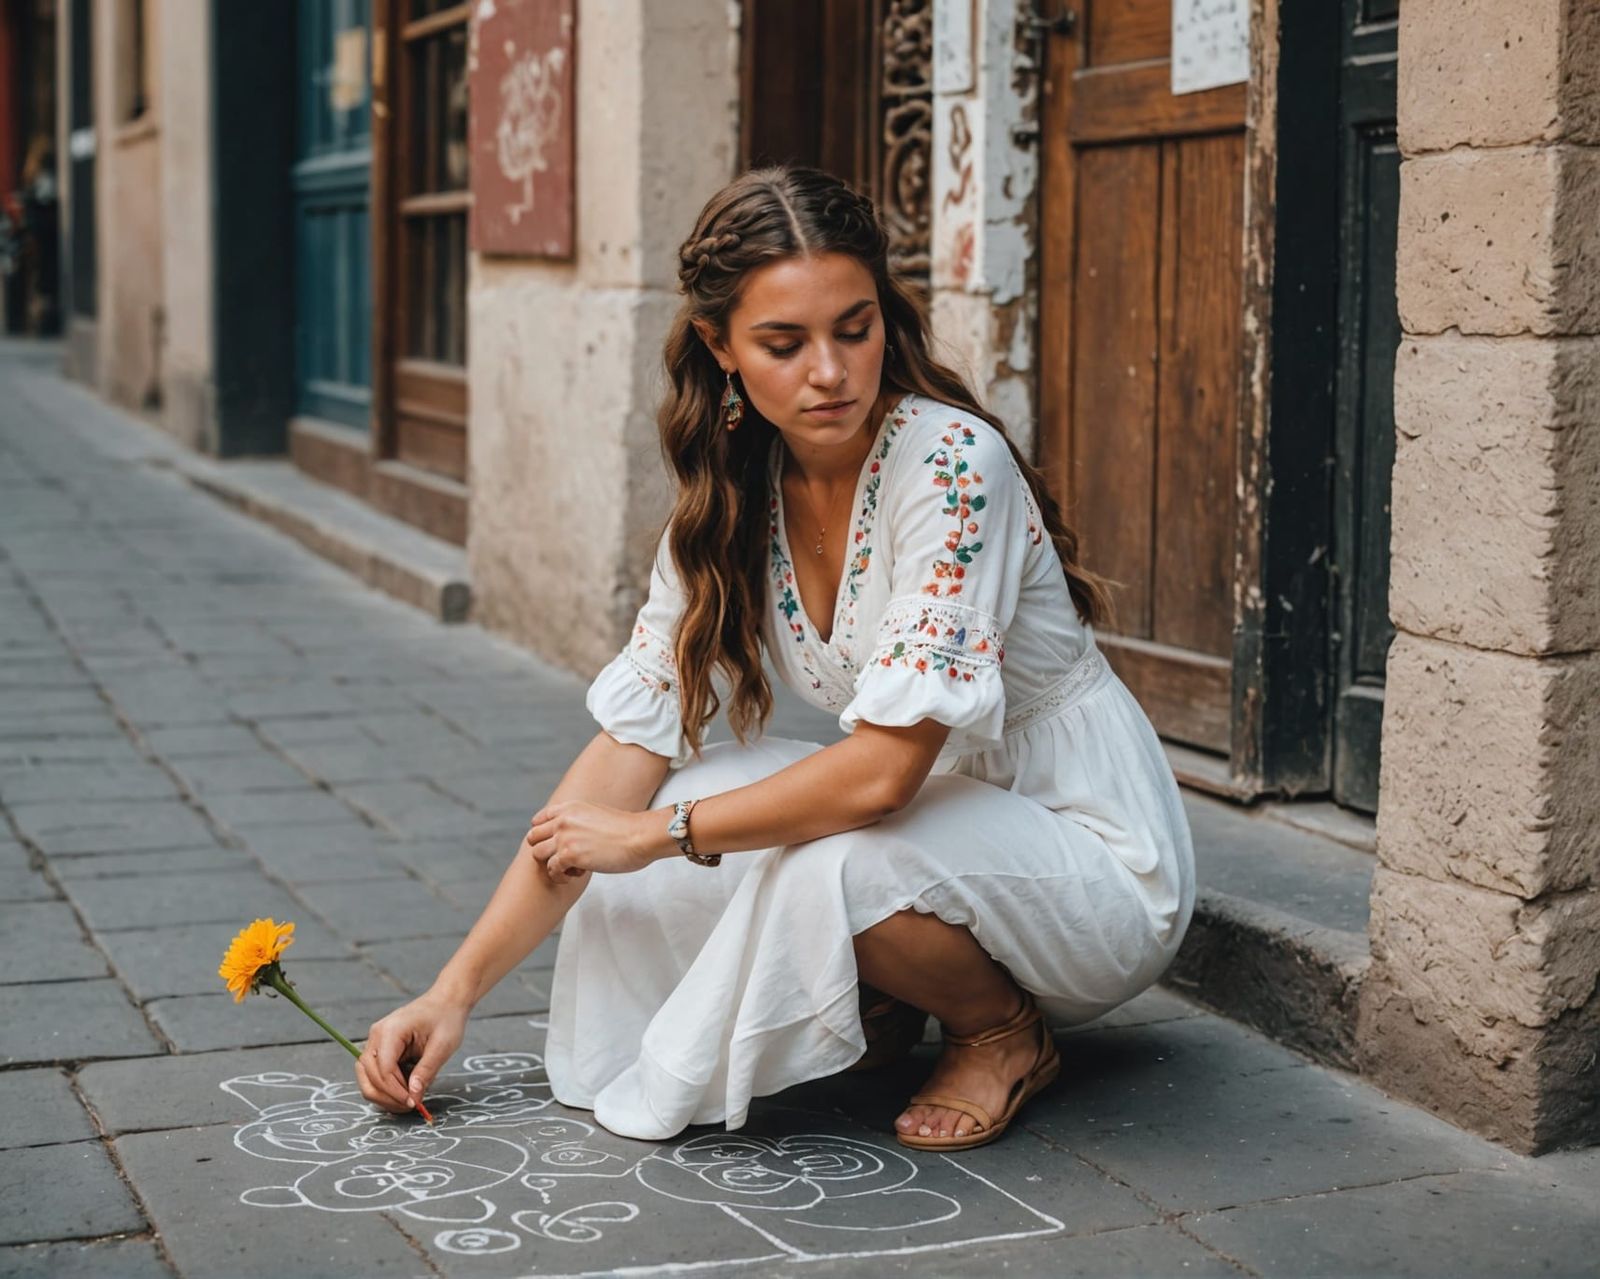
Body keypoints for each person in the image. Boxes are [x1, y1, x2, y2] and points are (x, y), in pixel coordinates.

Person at [356, 164, 1195, 1152]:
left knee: (800, 845)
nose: (831, 372)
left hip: (1088, 867)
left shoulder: (954, 467)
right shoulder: (726, 507)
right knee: (680, 801)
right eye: (783, 343)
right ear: (720, 348)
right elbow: (619, 763)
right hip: (941, 833)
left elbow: (882, 778)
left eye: (855, 326)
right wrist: (450, 991)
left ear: (886, 315)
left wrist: (662, 833)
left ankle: (1001, 1029)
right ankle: (888, 992)